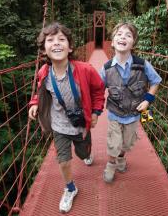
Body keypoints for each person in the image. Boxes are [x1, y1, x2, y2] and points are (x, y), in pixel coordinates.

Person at [28, 22, 105, 213]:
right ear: (44, 49)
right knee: (63, 160)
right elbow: (41, 92)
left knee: (83, 154)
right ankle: (70, 188)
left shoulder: (85, 69)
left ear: (70, 47)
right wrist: (35, 103)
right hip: (59, 126)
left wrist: (95, 112)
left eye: (62, 39)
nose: (56, 43)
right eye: (50, 40)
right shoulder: (43, 72)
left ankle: (87, 152)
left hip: (80, 125)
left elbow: (98, 90)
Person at [100, 22, 162, 183]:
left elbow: (155, 81)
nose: (123, 37)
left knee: (127, 143)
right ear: (112, 42)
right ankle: (111, 164)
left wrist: (148, 101)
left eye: (128, 35)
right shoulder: (106, 68)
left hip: (134, 114)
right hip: (115, 112)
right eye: (119, 34)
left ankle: (121, 158)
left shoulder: (142, 65)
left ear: (133, 42)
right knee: (114, 143)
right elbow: (98, 89)